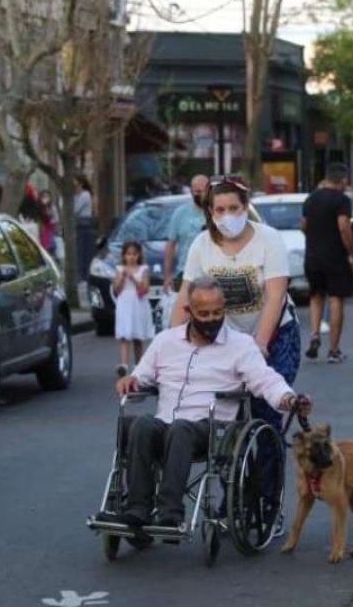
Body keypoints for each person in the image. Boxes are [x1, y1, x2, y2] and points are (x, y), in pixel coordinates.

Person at [98, 276, 312, 529]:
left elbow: (266, 380)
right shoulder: (165, 342)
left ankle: (170, 513)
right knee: (142, 424)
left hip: (212, 429)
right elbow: (141, 376)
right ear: (188, 311)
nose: (212, 318)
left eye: (218, 312)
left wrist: (289, 399)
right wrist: (130, 380)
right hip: (165, 423)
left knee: (181, 429)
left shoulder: (240, 345)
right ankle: (137, 511)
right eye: (204, 313)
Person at [171, 175, 301, 444]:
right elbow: (186, 295)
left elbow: (275, 295)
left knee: (265, 411)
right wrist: (172, 344)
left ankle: (267, 480)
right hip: (226, 341)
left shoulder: (269, 239)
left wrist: (261, 343)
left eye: (234, 208)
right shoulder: (202, 245)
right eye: (220, 210)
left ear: (245, 207)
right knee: (222, 416)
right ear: (210, 212)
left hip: (275, 336)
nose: (227, 215)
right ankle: (232, 478)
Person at [301, 163, 353, 363]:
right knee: (336, 300)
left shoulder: (311, 198)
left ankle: (315, 334)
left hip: (313, 257)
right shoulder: (342, 200)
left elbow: (304, 225)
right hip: (335, 257)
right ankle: (333, 349)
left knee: (316, 297)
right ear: (342, 179)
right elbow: (344, 226)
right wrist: (352, 253)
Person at [113, 240, 155, 377]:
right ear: (124, 255)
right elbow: (117, 289)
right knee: (125, 335)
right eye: (128, 254)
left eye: (134, 254)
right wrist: (123, 278)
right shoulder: (119, 270)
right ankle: (124, 365)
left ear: (139, 255)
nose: (131, 257)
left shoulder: (143, 269)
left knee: (138, 336)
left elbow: (145, 288)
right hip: (125, 303)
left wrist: (133, 278)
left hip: (138, 304)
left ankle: (139, 366)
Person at [163, 174, 209, 294]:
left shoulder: (216, 212)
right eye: (197, 191)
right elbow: (170, 245)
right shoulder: (180, 214)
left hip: (210, 273)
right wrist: (167, 275)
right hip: (184, 273)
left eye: (204, 191)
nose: (201, 194)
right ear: (191, 192)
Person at [74, 174, 96, 282]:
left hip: (85, 225)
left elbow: (75, 210)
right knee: (78, 252)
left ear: (80, 183)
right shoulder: (74, 196)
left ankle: (84, 276)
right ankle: (80, 275)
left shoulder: (85, 195)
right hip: (76, 226)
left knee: (84, 252)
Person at [38, 189, 59, 255]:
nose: (45, 198)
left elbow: (56, 219)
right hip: (40, 233)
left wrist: (51, 222)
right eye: (43, 196)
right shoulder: (38, 208)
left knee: (51, 247)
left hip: (50, 232)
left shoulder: (52, 208)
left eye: (47, 196)